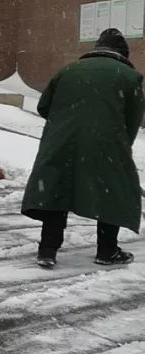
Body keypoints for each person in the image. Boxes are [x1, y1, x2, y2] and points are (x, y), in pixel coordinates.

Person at [22, 28, 144, 268]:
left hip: (61, 139)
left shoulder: (68, 70)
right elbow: (133, 121)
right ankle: (107, 251)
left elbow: (43, 107)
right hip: (106, 141)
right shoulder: (130, 77)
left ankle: (47, 250)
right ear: (123, 54)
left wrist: (66, 124)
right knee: (111, 189)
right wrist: (120, 146)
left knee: (57, 188)